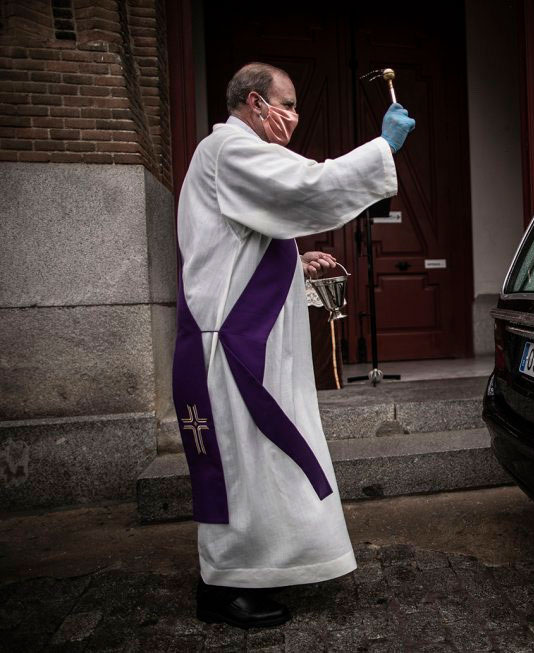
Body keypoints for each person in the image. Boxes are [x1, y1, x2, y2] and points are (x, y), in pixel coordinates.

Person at [172, 62, 415, 628]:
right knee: (242, 465)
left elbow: (239, 238)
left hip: (244, 338)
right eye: (288, 104)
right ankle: (224, 587)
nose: (294, 117)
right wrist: (382, 147)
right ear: (255, 103)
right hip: (232, 344)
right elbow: (310, 186)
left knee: (262, 462)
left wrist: (294, 260)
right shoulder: (230, 149)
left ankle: (260, 567)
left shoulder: (232, 154)